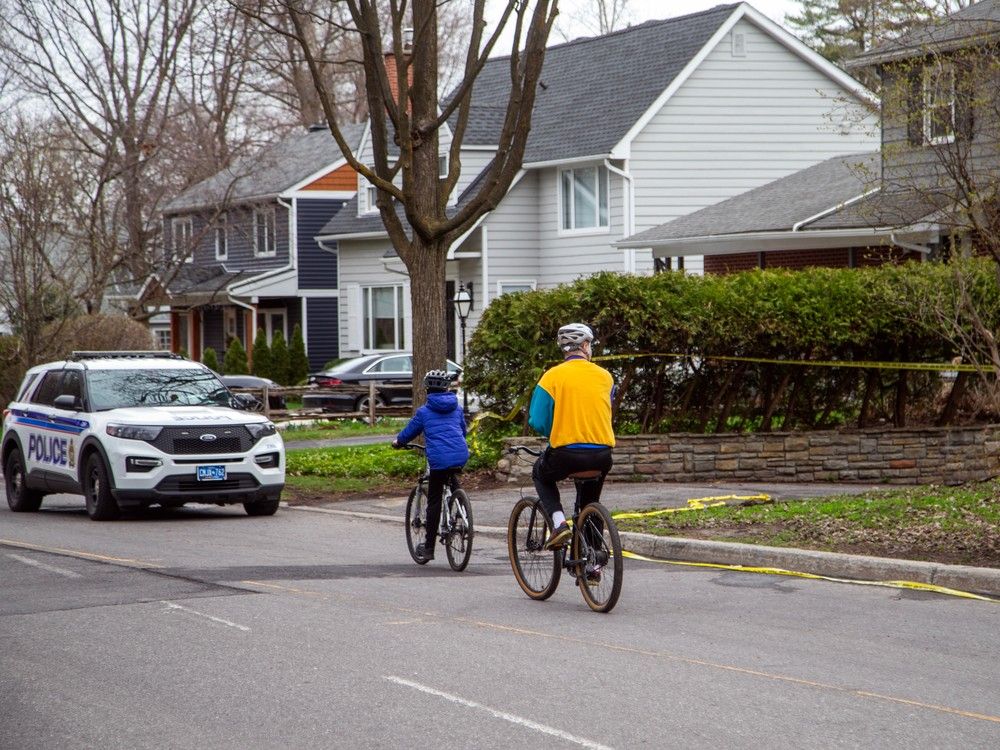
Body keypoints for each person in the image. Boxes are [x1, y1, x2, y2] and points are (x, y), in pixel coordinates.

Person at [528, 323, 615, 554]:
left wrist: (557, 429)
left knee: (540, 474)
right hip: (602, 454)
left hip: (566, 454)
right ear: (585, 346)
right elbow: (605, 409)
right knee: (590, 502)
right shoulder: (605, 377)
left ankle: (558, 523)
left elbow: (537, 420)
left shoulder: (551, 377)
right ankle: (593, 560)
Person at [392, 369, 470, 562]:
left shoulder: (424, 412)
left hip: (439, 459)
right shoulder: (457, 408)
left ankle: (428, 548)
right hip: (460, 454)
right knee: (453, 481)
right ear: (446, 388)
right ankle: (462, 514)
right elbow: (463, 431)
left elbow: (409, 432)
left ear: (427, 389)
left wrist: (398, 442)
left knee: (434, 500)